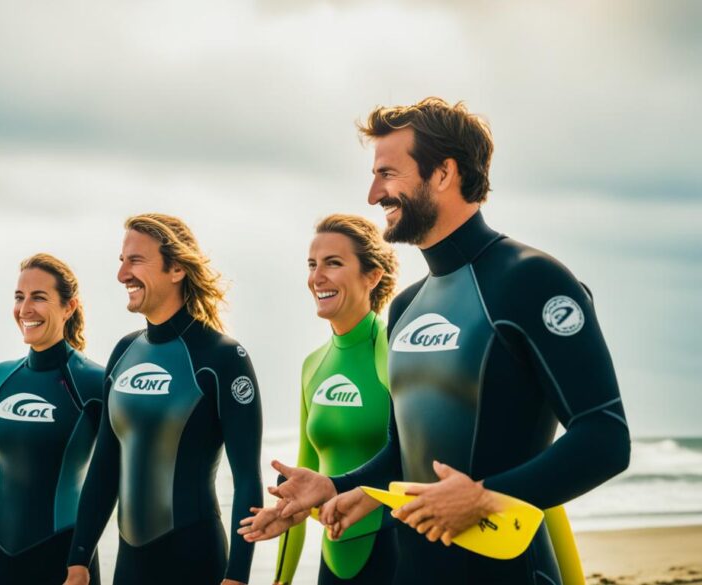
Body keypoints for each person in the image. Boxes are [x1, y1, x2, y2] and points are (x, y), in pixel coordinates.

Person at [241, 98, 631, 584]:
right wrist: (336, 484)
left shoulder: (531, 280)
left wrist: (485, 497)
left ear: (444, 173)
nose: (372, 194)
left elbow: (606, 436)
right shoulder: (406, 307)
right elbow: (404, 456)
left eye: (387, 174)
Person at [64, 213, 263, 585]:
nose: (122, 274)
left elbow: (247, 479)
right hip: (130, 568)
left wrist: (238, 576)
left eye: (135, 261)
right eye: (121, 262)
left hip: (195, 560)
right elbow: (105, 466)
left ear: (176, 269)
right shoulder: (124, 353)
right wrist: (79, 558)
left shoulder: (221, 359)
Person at [0, 253, 104, 585]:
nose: (25, 308)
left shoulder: (93, 383)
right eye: (19, 297)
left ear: (68, 307)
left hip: (64, 560)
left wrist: (80, 561)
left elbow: (110, 477)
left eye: (39, 297)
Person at [271, 214, 399, 584]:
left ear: (372, 276)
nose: (317, 277)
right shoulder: (314, 366)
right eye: (312, 265)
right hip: (333, 561)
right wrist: (281, 579)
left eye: (333, 263)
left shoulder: (391, 351)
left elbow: (417, 456)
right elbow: (302, 477)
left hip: (397, 553)